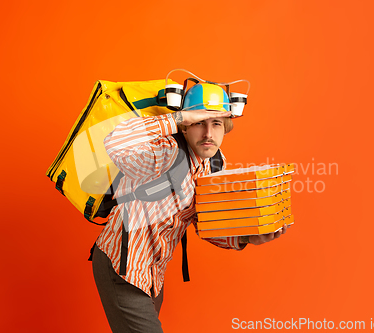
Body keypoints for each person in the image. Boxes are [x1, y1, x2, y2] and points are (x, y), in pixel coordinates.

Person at [92, 83, 288, 332]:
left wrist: (248, 237)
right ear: (185, 125)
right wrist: (179, 117)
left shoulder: (214, 164)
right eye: (199, 122)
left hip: (152, 274)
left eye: (216, 123)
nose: (208, 133)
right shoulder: (164, 152)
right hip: (122, 267)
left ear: (226, 126)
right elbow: (116, 141)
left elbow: (209, 223)